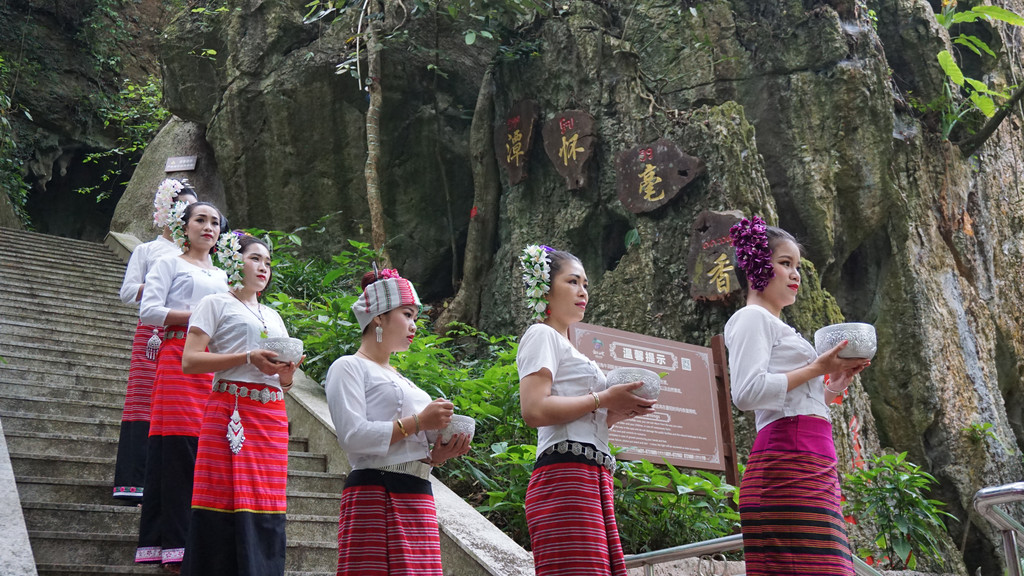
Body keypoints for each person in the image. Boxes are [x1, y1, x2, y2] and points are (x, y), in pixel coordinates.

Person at [724, 216, 870, 576]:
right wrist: (817, 368)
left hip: (809, 457)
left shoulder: (777, 325)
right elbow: (746, 393)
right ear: (757, 265)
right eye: (785, 263)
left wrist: (834, 381)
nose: (796, 274)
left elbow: (798, 396)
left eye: (798, 266)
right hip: (786, 462)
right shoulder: (751, 318)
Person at [515, 245, 656, 576]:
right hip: (565, 475)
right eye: (573, 282)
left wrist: (620, 410)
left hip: (591, 474)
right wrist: (604, 399)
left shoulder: (569, 348)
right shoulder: (541, 335)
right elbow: (534, 410)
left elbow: (584, 418)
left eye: (586, 285)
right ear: (544, 289)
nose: (583, 292)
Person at [324, 268, 471, 576]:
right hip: (377, 491)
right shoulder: (348, 367)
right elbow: (352, 437)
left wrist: (437, 455)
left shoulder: (404, 380)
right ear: (378, 316)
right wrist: (418, 422)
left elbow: (413, 441)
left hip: (418, 492)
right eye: (407, 314)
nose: (414, 325)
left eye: (415, 317)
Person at [179, 233, 300, 576]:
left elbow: (282, 383)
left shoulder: (274, 316)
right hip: (231, 410)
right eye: (255, 259)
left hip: (272, 415)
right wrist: (247, 356)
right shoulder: (215, 303)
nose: (264, 267)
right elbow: (189, 360)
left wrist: (287, 375)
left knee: (267, 502)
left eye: (268, 262)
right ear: (236, 261)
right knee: (222, 496)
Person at [135, 201, 230, 570]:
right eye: (200, 220)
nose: (208, 227)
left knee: (207, 451)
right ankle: (172, 546)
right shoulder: (168, 263)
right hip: (177, 358)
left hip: (212, 363)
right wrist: (200, 316)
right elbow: (149, 310)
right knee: (178, 449)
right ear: (185, 226)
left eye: (215, 223)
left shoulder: (223, 276)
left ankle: (199, 541)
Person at [113, 179, 198, 502]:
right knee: (144, 400)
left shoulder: (195, 256)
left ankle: (177, 483)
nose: (185, 215)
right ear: (165, 210)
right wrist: (161, 286)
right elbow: (126, 292)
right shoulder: (148, 251)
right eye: (179, 207)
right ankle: (134, 482)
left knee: (181, 407)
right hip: (152, 335)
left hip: (188, 338)